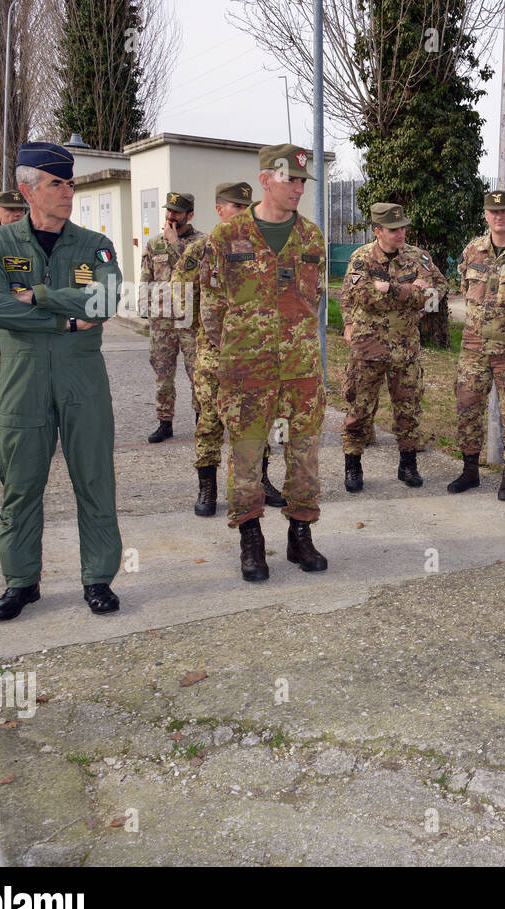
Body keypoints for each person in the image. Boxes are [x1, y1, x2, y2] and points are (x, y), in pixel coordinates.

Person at [0, 141, 122, 619]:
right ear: (27, 190)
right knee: (20, 484)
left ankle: (98, 579)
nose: (67, 191)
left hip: (84, 383)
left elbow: (105, 304)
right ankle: (21, 582)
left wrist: (34, 297)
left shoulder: (96, 245)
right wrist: (66, 317)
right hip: (23, 381)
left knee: (95, 480)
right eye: (56, 183)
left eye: (69, 182)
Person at [198, 144, 328, 582]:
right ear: (264, 180)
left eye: (301, 181)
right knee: (248, 456)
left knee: (305, 454)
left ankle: (300, 534)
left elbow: (316, 298)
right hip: (246, 370)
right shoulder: (226, 237)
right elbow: (211, 305)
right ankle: (250, 538)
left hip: (302, 369)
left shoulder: (311, 237)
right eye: (289, 179)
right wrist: (226, 358)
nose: (297, 188)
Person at [172, 181, 283, 516]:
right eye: (236, 207)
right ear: (219, 209)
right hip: (213, 354)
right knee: (209, 421)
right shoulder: (201, 250)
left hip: (254, 353)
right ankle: (208, 487)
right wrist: (198, 337)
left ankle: (261, 480)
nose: (243, 215)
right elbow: (180, 296)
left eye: (246, 208)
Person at [340, 202, 443, 491]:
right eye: (393, 229)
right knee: (360, 408)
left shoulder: (418, 257)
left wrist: (396, 291)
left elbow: (438, 290)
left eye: (403, 228)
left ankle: (407, 465)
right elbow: (362, 297)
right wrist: (413, 292)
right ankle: (353, 465)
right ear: (378, 230)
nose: (401, 233)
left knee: (408, 408)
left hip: (405, 347)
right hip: (368, 347)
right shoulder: (361, 259)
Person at [447, 190, 505, 500]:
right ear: (486, 215)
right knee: (467, 408)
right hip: (474, 348)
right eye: (492, 211)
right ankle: (470, 470)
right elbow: (465, 289)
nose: (498, 216)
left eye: (504, 211)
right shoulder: (472, 250)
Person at [143, 191, 199, 444]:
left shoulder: (201, 242)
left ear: (190, 214)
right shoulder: (154, 243)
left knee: (198, 373)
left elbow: (195, 271)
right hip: (162, 319)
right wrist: (145, 308)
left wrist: (176, 243)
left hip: (190, 319)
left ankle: (203, 421)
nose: (171, 216)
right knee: (163, 373)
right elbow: (146, 276)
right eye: (169, 211)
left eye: (177, 212)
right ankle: (164, 422)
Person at [0, 190, 30, 399]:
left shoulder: (34, 243)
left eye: (20, 210)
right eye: (10, 210)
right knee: (6, 375)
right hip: (5, 324)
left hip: (36, 321)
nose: (16, 215)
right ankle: (5, 424)